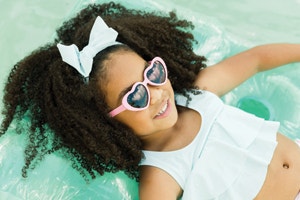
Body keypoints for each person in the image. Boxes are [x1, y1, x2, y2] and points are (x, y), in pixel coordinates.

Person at [1, 2, 300, 199]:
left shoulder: (199, 95)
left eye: (153, 73)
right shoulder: (160, 175)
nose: (156, 93)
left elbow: (256, 60)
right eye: (136, 96)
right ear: (106, 122)